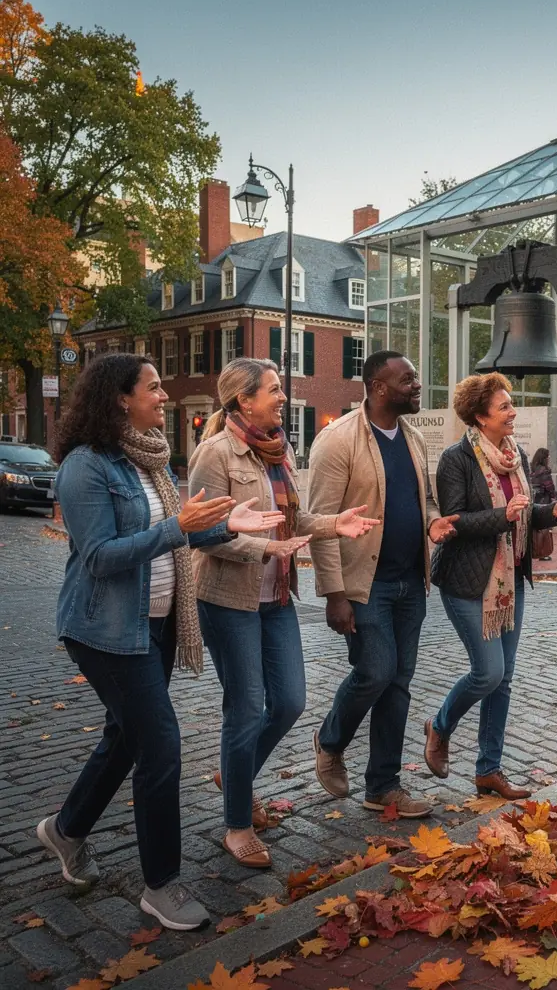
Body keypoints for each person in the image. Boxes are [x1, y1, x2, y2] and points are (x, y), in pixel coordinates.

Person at [37, 354, 283, 930]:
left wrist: (228, 527)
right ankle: (161, 885)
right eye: (153, 386)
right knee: (162, 745)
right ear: (121, 398)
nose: (165, 395)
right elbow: (98, 558)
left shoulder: (148, 459)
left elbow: (178, 535)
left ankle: (66, 829)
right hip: (106, 630)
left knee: (126, 738)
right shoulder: (86, 466)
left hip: (159, 624)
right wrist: (183, 527)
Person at [189, 358, 380, 868]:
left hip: (275, 599)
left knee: (291, 702)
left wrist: (333, 523)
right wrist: (262, 549)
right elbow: (201, 534)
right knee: (247, 707)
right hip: (228, 599)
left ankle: (236, 776)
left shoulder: (281, 450)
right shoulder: (215, 453)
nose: (282, 395)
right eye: (273, 390)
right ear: (243, 400)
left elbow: (291, 519)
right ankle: (236, 824)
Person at [307, 351, 458, 818]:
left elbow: (425, 500)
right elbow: (318, 521)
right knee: (375, 671)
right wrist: (334, 594)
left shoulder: (414, 438)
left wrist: (433, 524)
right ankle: (330, 740)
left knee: (398, 682)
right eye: (408, 380)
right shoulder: (338, 440)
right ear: (378, 387)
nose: (417, 386)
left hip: (411, 581)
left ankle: (383, 785)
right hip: (362, 583)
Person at [423, 374, 557, 798]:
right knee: (488, 672)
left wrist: (552, 512)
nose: (513, 412)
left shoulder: (517, 455)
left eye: (512, 405)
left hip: (509, 579)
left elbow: (524, 511)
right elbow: (454, 521)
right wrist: (505, 517)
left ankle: (488, 770)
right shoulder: (456, 460)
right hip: (467, 582)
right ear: (480, 416)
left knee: (505, 679)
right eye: (505, 407)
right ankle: (439, 726)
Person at [529, 447, 557, 561]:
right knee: (545, 527)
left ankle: (533, 549)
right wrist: (556, 500)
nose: (549, 458)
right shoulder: (544, 471)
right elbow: (550, 487)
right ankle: (543, 551)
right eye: (548, 456)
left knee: (534, 528)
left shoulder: (531, 469)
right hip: (544, 500)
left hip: (534, 499)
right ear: (544, 458)